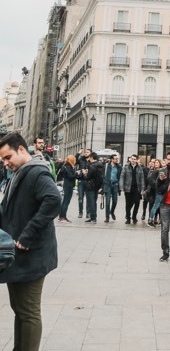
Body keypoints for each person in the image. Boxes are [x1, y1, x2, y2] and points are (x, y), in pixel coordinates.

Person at [0, 131, 61, 351]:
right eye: (3, 160)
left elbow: (54, 200)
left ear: (22, 150)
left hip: (32, 254)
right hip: (19, 254)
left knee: (29, 311)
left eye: (8, 158)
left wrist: (27, 235)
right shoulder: (19, 172)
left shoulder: (36, 172)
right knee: (20, 309)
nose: (6, 163)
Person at [120, 155, 146, 224]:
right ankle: (128, 218)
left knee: (137, 203)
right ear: (130, 159)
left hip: (137, 188)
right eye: (132, 159)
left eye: (134, 159)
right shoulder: (126, 167)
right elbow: (122, 177)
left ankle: (134, 217)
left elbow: (142, 179)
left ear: (137, 160)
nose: (133, 160)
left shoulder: (140, 168)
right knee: (128, 204)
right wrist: (121, 186)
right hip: (128, 188)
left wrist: (143, 188)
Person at [84, 153, 103, 223]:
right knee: (94, 201)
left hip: (90, 185)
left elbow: (88, 177)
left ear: (91, 157)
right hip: (97, 186)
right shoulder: (100, 165)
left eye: (89, 157)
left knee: (91, 202)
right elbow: (101, 177)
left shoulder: (91, 166)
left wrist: (85, 173)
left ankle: (93, 218)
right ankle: (93, 217)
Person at [56, 154, 76, 223]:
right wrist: (77, 173)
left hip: (67, 185)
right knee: (66, 201)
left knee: (65, 201)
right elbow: (71, 176)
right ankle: (62, 217)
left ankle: (62, 216)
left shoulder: (66, 166)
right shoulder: (68, 167)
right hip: (68, 185)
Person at [103, 153, 121, 223]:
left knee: (115, 201)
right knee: (107, 202)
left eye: (117, 159)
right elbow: (103, 176)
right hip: (108, 185)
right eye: (115, 159)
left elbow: (120, 177)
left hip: (115, 185)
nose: (117, 160)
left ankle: (112, 211)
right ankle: (107, 217)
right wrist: (103, 186)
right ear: (112, 159)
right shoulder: (106, 166)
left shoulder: (119, 167)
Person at [75, 148, 90, 218]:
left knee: (88, 198)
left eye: (87, 152)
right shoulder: (81, 159)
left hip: (89, 181)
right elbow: (74, 161)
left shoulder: (92, 160)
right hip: (81, 181)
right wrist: (78, 153)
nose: (86, 153)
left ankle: (88, 213)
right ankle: (80, 212)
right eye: (85, 152)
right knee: (80, 198)